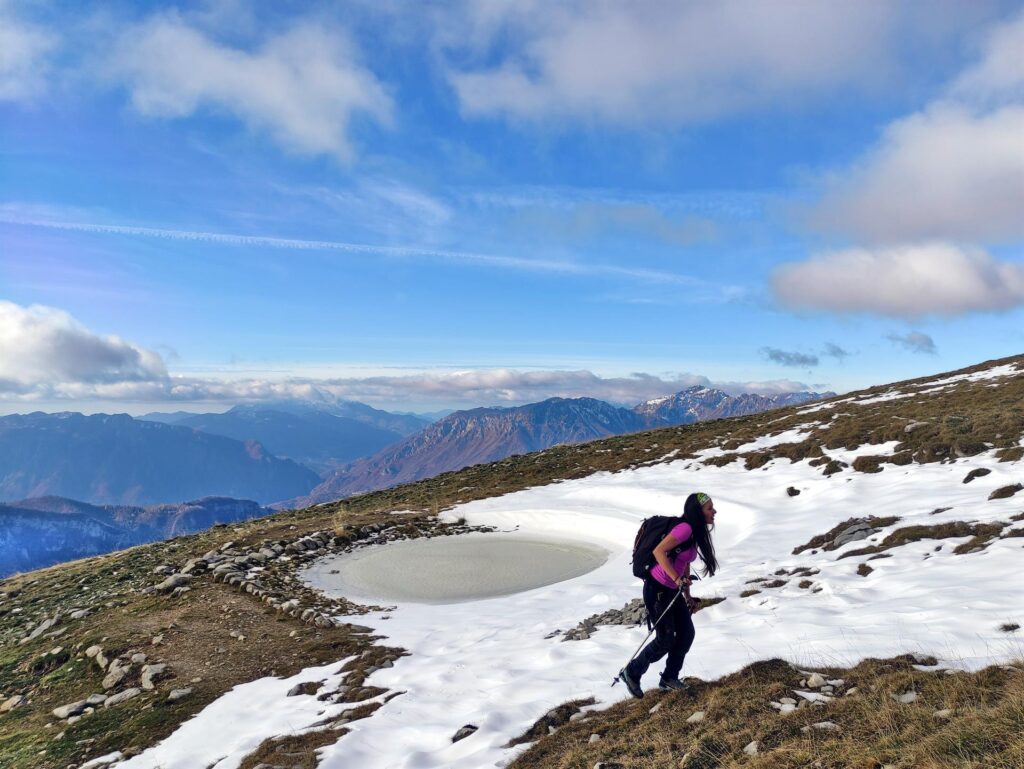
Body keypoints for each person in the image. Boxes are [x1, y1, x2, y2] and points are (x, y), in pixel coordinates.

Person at [619, 492, 718, 697]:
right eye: (709, 508)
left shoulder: (695, 532)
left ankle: (669, 678)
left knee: (686, 634)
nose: (714, 511)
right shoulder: (685, 528)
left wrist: (687, 594)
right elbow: (658, 552)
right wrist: (676, 579)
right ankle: (632, 671)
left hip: (672, 590)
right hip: (657, 589)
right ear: (698, 512)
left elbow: (685, 562)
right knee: (665, 639)